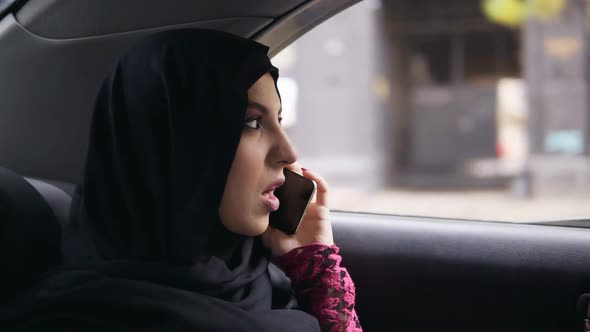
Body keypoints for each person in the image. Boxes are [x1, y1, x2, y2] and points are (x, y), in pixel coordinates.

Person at [2, 29, 362, 332]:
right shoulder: (78, 317)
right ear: (173, 144)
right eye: (251, 122)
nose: (288, 151)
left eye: (279, 120)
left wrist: (315, 268)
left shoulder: (255, 280)